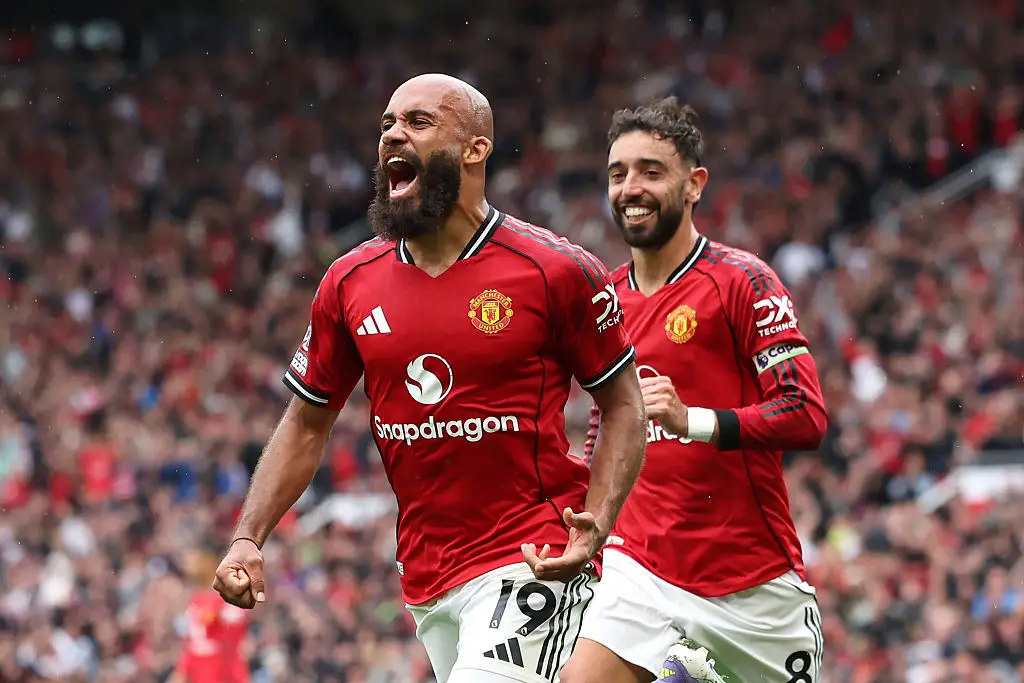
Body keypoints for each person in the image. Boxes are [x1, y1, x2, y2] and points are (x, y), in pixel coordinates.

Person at [211, 73, 647, 683]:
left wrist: (597, 519)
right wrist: (248, 537)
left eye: (418, 123)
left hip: (530, 552)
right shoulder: (349, 282)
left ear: (475, 149)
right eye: (387, 124)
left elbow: (625, 405)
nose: (394, 134)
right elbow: (308, 421)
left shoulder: (554, 270)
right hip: (426, 575)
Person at [560, 98, 829, 683]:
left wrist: (693, 421)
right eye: (618, 173)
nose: (631, 187)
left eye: (651, 172)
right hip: (640, 576)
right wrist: (588, 521)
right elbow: (602, 431)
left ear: (693, 184)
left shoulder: (743, 282)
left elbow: (804, 414)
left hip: (752, 590)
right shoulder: (601, 301)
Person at [170, 550, 251, 683]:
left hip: (220, 665)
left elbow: (237, 640)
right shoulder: (196, 600)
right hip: (200, 663)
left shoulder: (225, 601)